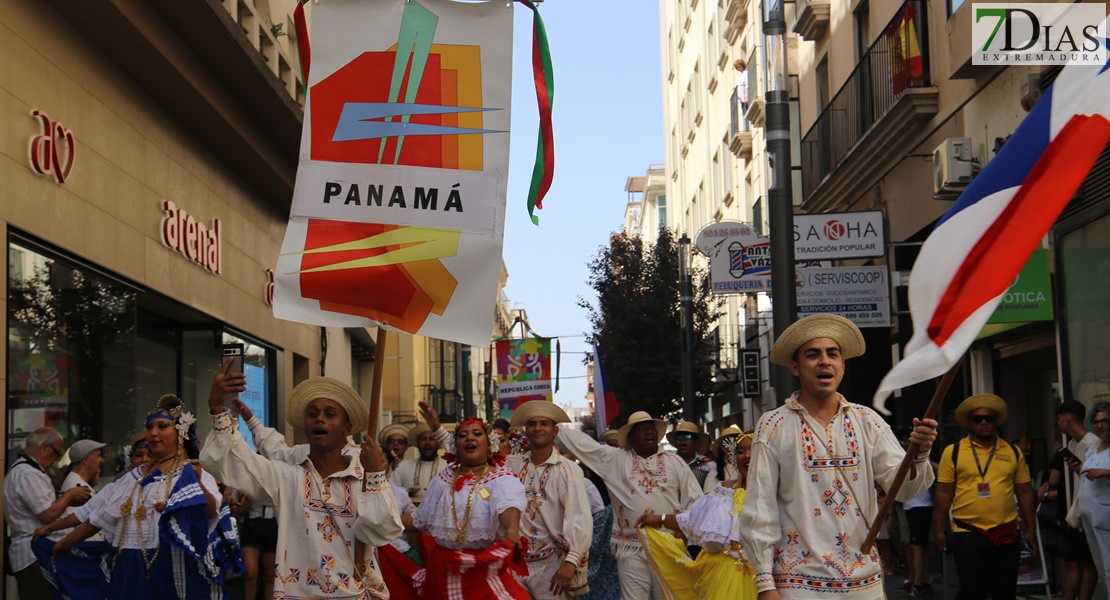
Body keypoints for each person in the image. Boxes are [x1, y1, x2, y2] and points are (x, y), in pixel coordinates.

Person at [740, 314, 938, 599]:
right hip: (798, 585)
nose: (824, 361)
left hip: (864, 583)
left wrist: (919, 453)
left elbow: (905, 489)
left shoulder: (868, 420)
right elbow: (760, 507)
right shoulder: (773, 425)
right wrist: (765, 583)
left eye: (832, 354)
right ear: (795, 367)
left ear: (842, 366)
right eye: (813, 354)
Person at [202, 361, 403, 599]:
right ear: (306, 426)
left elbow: (382, 531)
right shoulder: (287, 477)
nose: (319, 419)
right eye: (312, 414)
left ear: (346, 428)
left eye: (330, 414)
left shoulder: (364, 477)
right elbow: (240, 463)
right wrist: (217, 408)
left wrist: (375, 476)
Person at [53, 395, 225, 599]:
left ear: (180, 432)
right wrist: (64, 541)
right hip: (127, 566)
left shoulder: (191, 472)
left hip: (168, 568)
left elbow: (211, 510)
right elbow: (98, 516)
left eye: (162, 426)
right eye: (149, 427)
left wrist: (196, 485)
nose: (153, 433)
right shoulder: (132, 478)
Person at [555, 410, 703, 599]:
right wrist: (552, 427)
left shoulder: (674, 462)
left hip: (669, 545)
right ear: (631, 436)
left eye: (651, 428)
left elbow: (696, 500)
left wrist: (684, 529)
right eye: (642, 429)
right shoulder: (615, 459)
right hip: (630, 547)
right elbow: (583, 445)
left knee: (669, 596)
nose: (649, 432)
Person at [933, 393, 1037, 600]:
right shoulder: (953, 452)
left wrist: (1031, 529)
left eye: (989, 418)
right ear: (970, 423)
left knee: (1005, 593)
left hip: (1007, 534)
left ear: (996, 421)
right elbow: (944, 493)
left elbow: (1024, 492)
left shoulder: (1013, 452)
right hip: (968, 533)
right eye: (977, 419)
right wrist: (938, 530)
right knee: (972, 592)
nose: (983, 423)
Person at [411, 416, 529, 598]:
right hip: (443, 569)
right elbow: (420, 520)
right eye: (463, 435)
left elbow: (508, 505)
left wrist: (512, 530)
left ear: (489, 445)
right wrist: (385, 522)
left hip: (483, 568)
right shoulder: (442, 480)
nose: (469, 438)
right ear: (456, 447)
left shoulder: (500, 479)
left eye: (477, 434)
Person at [637, 428, 758, 599]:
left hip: (765, 579)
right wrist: (659, 519)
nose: (747, 455)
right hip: (721, 578)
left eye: (753, 450)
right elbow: (692, 520)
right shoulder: (722, 492)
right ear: (733, 457)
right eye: (740, 451)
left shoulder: (778, 493)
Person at [507, 401, 592, 598]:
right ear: (526, 431)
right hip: (514, 564)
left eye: (544, 423)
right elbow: (474, 459)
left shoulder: (568, 470)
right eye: (532, 424)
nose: (537, 428)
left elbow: (579, 516)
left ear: (555, 432)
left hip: (550, 565)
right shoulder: (512, 465)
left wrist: (571, 562)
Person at [3, 427, 92, 598]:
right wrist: (69, 495)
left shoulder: (27, 471)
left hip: (37, 555)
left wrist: (68, 500)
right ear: (44, 447)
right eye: (57, 453)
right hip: (34, 556)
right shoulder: (28, 473)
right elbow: (47, 514)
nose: (56, 459)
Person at [1055, 400, 1100, 600]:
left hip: (1089, 512)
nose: (1058, 424)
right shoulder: (1072, 444)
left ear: (1067, 418)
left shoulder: (1093, 443)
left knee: (1088, 563)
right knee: (1073, 561)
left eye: (1058, 419)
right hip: (1076, 511)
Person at [1076, 401, 1110, 596]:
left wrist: (1104, 473)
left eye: (1104, 421)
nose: (1099, 426)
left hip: (1105, 515)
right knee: (1101, 566)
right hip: (1090, 516)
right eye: (1096, 422)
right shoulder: (1096, 446)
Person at [391, 422, 446, 506]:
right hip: (409, 517)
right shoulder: (403, 467)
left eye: (432, 439)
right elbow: (391, 493)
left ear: (438, 443)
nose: (427, 443)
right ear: (417, 443)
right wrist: (405, 494)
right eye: (423, 439)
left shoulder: (448, 467)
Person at [668, 421, 719, 493]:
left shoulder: (709, 465)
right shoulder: (668, 463)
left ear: (696, 443)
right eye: (678, 436)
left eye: (687, 436)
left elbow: (712, 494)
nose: (682, 439)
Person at [734, 58, 749, 130]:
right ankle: (746, 128)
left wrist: (746, 97)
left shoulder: (746, 74)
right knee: (744, 114)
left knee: (746, 114)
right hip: (741, 100)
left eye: (739, 67)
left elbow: (747, 85)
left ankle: (747, 128)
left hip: (745, 99)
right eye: (737, 68)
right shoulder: (741, 76)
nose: (738, 69)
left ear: (742, 65)